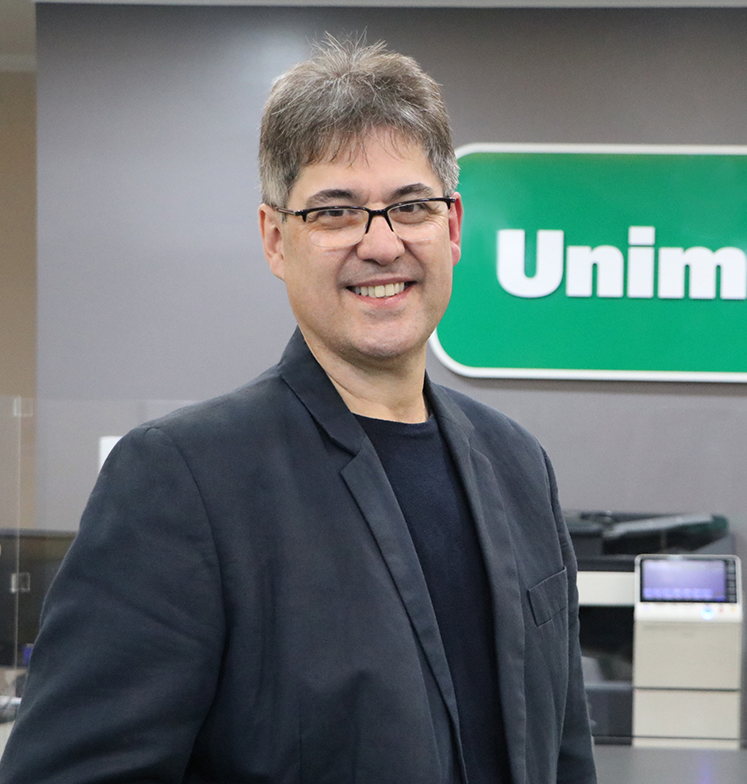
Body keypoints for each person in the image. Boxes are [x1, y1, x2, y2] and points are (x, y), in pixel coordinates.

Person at [0, 38, 597, 784]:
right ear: (275, 239)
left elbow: (565, 752)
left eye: (410, 205)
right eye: (335, 212)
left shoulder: (518, 467)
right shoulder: (183, 480)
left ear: (451, 227)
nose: (381, 245)